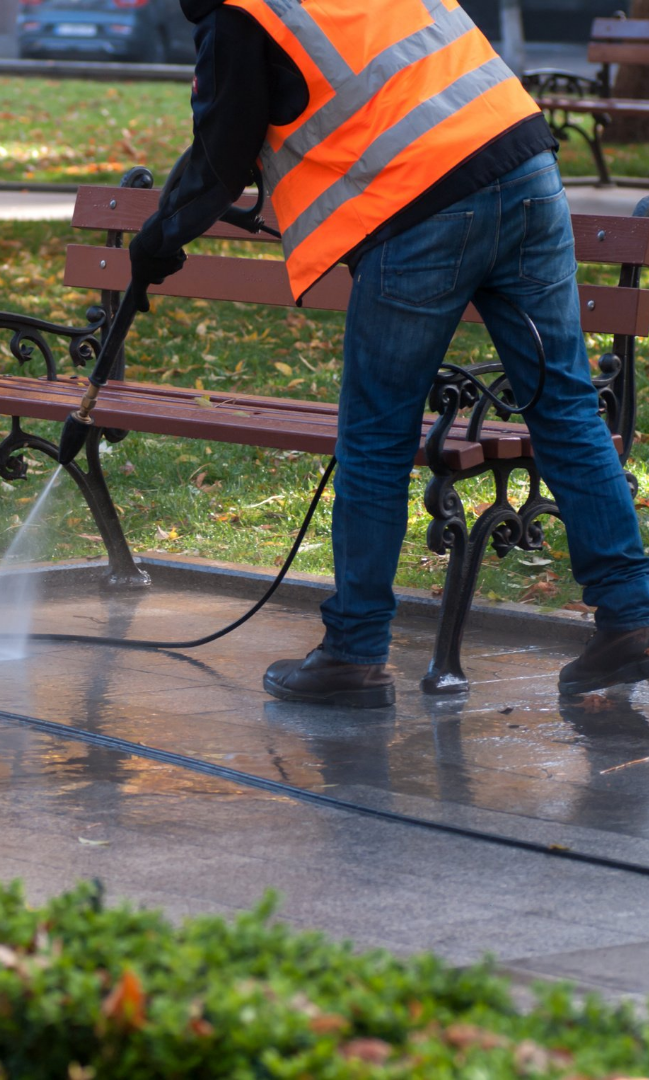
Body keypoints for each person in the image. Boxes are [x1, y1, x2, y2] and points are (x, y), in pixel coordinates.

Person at [131, 0, 649, 708]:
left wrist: (158, 240)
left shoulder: (243, 14)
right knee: (563, 405)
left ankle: (354, 651)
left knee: (376, 437)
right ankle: (632, 615)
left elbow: (221, 156)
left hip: (425, 207)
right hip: (524, 167)